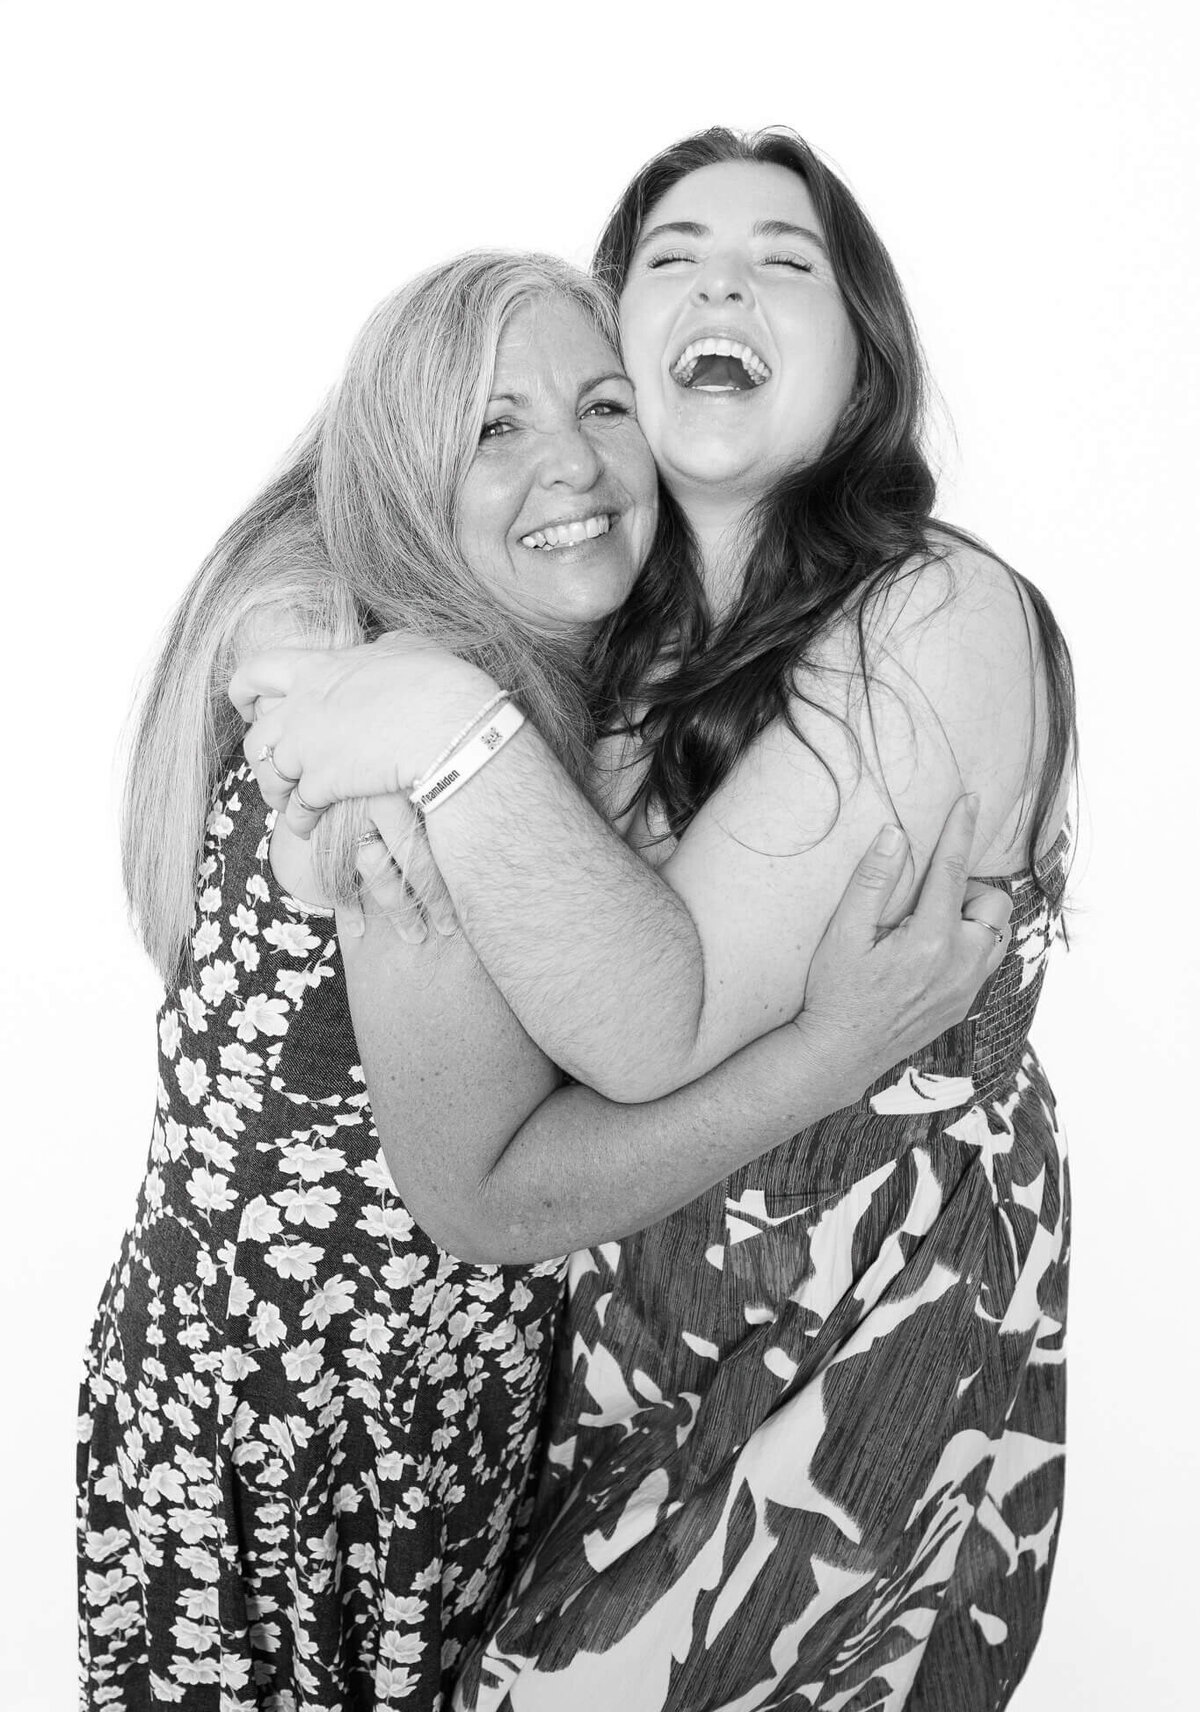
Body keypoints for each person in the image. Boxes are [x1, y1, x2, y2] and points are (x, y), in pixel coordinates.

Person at [78, 249, 1006, 1712]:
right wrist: (832, 1053)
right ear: (403, 477)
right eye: (492, 428)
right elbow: (494, 1199)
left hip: (422, 1424)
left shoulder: (475, 693)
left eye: (603, 405)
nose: (570, 462)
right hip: (307, 1460)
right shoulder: (406, 764)